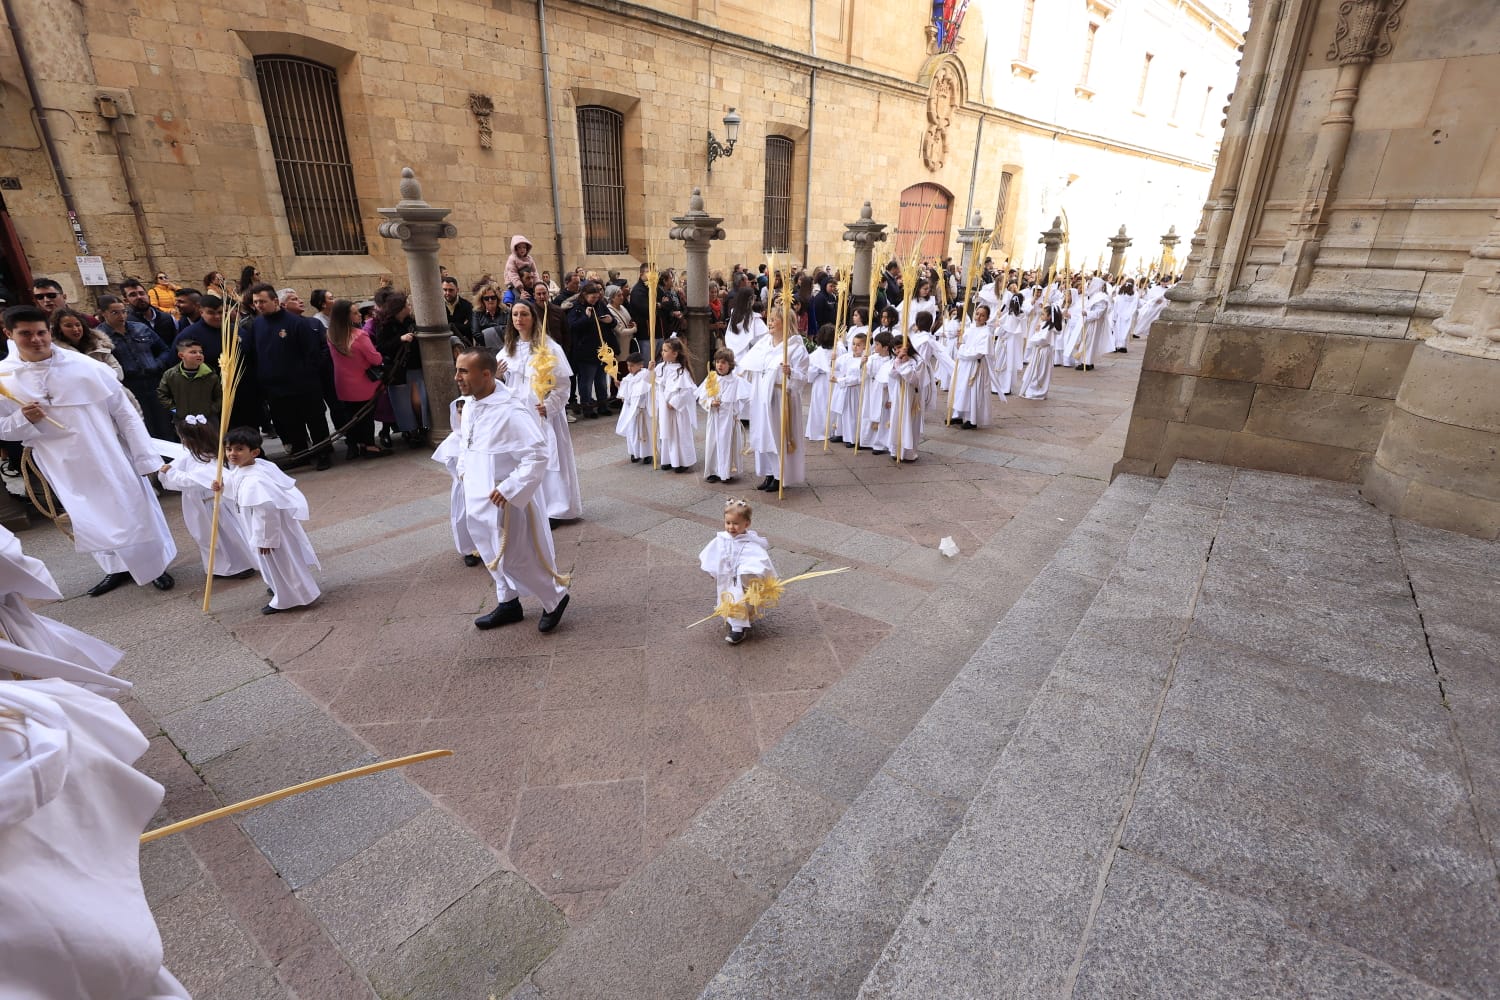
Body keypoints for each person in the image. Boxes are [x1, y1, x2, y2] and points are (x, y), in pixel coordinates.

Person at [0, 305, 176, 596]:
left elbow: (125, 413)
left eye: (41, 332)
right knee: (88, 514)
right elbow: (4, 428)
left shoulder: (86, 367)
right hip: (61, 463)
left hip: (106, 452)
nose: (36, 340)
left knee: (132, 508)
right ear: (9, 334)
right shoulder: (5, 378)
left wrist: (145, 457)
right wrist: (22, 419)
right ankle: (115, 569)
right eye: (26, 334)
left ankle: (154, 567)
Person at [451, 348, 571, 633]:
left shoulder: (511, 411)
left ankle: (555, 598)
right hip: (479, 496)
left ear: (486, 374)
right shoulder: (469, 404)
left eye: (464, 371)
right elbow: (466, 443)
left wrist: (511, 487)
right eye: (457, 370)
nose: (457, 377)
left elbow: (537, 454)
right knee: (490, 551)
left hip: (508, 501)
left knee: (518, 556)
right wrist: (464, 472)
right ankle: (508, 602)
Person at [218, 426, 320, 615]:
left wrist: (266, 539)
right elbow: (236, 487)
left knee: (279, 563)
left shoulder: (256, 479)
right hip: (259, 527)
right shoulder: (248, 467)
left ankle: (289, 598)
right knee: (276, 564)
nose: (232, 454)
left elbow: (267, 509)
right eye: (229, 449)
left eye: (239, 449)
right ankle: (280, 587)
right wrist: (222, 488)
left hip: (268, 530)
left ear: (254, 452)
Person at [501, 300, 581, 523]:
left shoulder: (549, 348)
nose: (519, 319)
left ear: (534, 318)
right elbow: (503, 382)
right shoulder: (509, 348)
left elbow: (563, 384)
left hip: (543, 412)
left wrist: (550, 405)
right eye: (515, 315)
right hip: (518, 413)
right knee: (524, 459)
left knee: (550, 459)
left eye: (524, 314)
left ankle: (556, 508)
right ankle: (530, 504)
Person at [244, 283, 335, 469]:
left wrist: (304, 376)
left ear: (275, 301)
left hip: (304, 385)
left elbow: (312, 355)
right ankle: (301, 453)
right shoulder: (257, 324)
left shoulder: (296, 323)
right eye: (255, 302)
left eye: (263, 301)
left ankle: (322, 453)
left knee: (315, 420)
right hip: (275, 388)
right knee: (291, 423)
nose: (259, 305)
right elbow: (255, 354)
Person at [159, 413, 258, 579]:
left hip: (214, 504)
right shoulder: (190, 456)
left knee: (227, 535)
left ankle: (241, 564)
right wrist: (169, 472)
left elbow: (195, 480)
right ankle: (219, 567)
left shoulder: (211, 458)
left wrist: (171, 473)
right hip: (199, 505)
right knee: (207, 537)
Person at [740, 298, 809, 493]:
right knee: (763, 436)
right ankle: (769, 473)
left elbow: (803, 377)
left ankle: (781, 475)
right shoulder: (764, 343)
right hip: (762, 396)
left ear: (785, 323)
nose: (769, 322)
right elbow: (750, 363)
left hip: (781, 398)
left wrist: (791, 373)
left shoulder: (796, 347)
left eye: (773, 319)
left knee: (777, 436)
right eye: (769, 319)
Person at [697, 497, 775, 645]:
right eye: (728, 523)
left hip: (741, 579)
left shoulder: (751, 542)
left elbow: (759, 560)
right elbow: (713, 555)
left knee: (740, 599)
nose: (731, 527)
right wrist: (713, 570)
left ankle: (738, 629)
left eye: (735, 524)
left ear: (747, 524)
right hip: (726, 578)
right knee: (728, 598)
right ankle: (736, 620)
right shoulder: (722, 539)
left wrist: (748, 573)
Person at [96, 293, 174, 438]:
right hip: (130, 385)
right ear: (103, 313)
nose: (121, 316)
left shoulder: (140, 328)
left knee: (165, 424)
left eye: (123, 311)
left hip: (154, 382)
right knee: (142, 427)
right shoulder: (99, 336)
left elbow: (164, 350)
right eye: (115, 312)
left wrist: (157, 364)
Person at [326, 299, 388, 459]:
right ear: (346, 317)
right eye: (354, 313)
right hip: (363, 384)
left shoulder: (331, 335)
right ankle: (369, 445)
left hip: (343, 384)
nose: (359, 315)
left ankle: (355, 444)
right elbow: (375, 359)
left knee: (351, 416)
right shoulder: (360, 336)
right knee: (366, 416)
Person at [372, 292, 429, 449]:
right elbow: (381, 347)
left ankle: (421, 427)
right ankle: (410, 431)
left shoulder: (410, 322)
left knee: (419, 402)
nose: (409, 307)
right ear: (399, 308)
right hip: (398, 370)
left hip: (415, 366)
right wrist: (400, 339)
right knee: (403, 404)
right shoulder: (385, 325)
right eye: (407, 305)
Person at [431, 397, 482, 567]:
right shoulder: (454, 438)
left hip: (484, 484)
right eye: (459, 412)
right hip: (463, 487)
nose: (462, 416)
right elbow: (450, 461)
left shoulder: (484, 434)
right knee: (463, 517)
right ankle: (468, 549)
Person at [567, 280, 616, 420]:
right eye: (592, 297)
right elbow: (572, 326)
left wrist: (610, 321)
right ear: (584, 295)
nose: (595, 300)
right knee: (586, 381)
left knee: (601, 381)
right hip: (585, 351)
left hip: (601, 350)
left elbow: (612, 321)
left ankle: (603, 405)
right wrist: (586, 318)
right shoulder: (576, 307)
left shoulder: (601, 305)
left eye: (597, 297)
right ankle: (587, 407)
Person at [698, 347, 747, 484]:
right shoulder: (711, 378)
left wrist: (735, 411)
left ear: (730, 365)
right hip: (714, 418)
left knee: (727, 444)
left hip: (728, 420)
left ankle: (725, 472)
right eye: (718, 362)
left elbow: (743, 399)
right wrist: (710, 402)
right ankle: (713, 471)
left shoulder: (736, 381)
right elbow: (702, 397)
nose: (720, 365)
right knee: (712, 443)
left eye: (724, 362)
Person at [156, 337, 221, 427]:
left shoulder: (210, 375)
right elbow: (162, 394)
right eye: (193, 352)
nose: (199, 355)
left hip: (207, 420)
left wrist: (211, 410)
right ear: (181, 355)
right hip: (182, 420)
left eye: (201, 352)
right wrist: (175, 409)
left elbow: (219, 396)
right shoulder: (170, 375)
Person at [654, 337, 697, 473]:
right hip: (664, 409)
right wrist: (650, 370)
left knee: (679, 434)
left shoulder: (682, 371)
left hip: (677, 410)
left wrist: (675, 402)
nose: (662, 353)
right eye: (662, 350)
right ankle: (668, 459)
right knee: (666, 434)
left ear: (675, 353)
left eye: (665, 350)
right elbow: (652, 383)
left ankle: (683, 461)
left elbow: (687, 391)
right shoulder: (660, 368)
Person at [950, 304, 996, 429]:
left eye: (982, 315)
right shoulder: (970, 329)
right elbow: (960, 342)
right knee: (960, 390)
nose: (978, 317)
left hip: (975, 367)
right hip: (964, 365)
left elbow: (978, 353)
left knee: (971, 393)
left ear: (987, 318)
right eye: (977, 314)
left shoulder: (986, 334)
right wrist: (959, 338)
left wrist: (962, 349)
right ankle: (957, 414)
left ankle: (972, 419)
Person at [51, 308, 125, 382]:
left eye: (77, 325)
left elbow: (117, 369)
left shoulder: (98, 343)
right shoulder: (56, 353)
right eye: (68, 326)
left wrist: (101, 381)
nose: (75, 329)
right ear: (59, 329)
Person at [832, 331, 869, 447]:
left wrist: (839, 380)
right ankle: (840, 432)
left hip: (854, 390)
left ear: (865, 347)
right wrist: (833, 359)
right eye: (853, 344)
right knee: (841, 412)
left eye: (858, 345)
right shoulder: (846, 357)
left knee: (851, 414)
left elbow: (858, 378)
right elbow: (835, 366)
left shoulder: (865, 360)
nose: (855, 347)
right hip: (843, 390)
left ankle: (852, 437)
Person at [614, 352, 652, 463]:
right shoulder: (627, 378)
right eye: (628, 365)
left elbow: (643, 388)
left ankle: (647, 454)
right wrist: (620, 386)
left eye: (632, 365)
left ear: (640, 365)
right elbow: (625, 396)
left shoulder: (646, 375)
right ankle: (635, 453)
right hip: (631, 411)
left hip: (642, 410)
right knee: (632, 433)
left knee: (644, 433)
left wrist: (650, 371)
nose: (629, 368)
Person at [121, 278, 178, 345]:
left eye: (142, 293)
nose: (139, 297)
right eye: (133, 295)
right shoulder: (126, 324)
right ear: (126, 301)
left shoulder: (168, 318)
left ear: (148, 296)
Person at [174, 293, 225, 367]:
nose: (217, 316)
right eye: (211, 313)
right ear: (201, 312)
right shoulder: (188, 335)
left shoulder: (234, 331)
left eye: (220, 312)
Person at [722, 286, 765, 361]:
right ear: (751, 299)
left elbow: (728, 338)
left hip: (731, 359)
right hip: (748, 360)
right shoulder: (755, 319)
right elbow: (764, 341)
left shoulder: (734, 316)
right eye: (754, 297)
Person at [443, 275, 474, 347]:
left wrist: (449, 326)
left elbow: (469, 328)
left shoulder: (467, 306)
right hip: (445, 346)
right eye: (445, 290)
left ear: (457, 290)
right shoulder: (437, 307)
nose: (447, 293)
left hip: (465, 346)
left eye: (451, 290)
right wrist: (460, 325)